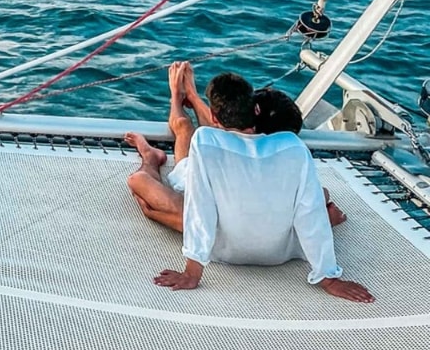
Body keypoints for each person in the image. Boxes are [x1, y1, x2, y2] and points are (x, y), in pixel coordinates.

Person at [129, 69, 373, 302]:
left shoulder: (206, 142)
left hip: (225, 249)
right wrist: (328, 277)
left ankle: (150, 157)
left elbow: (200, 207)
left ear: (214, 118)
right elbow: (308, 212)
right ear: (255, 110)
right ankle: (169, 123)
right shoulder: (294, 148)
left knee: (150, 197)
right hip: (279, 253)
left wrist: (193, 273)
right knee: (316, 197)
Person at [127, 65, 345, 232]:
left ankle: (150, 158)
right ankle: (154, 151)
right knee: (320, 194)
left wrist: (154, 214)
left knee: (142, 177)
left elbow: (216, 127)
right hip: (243, 222)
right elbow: (220, 126)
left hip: (208, 212)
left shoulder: (217, 145)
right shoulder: (289, 159)